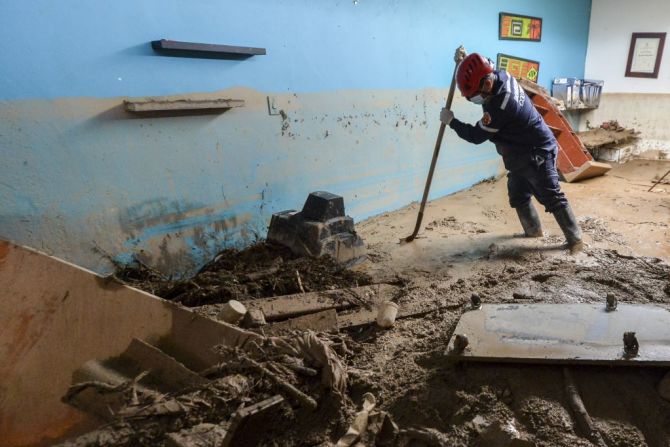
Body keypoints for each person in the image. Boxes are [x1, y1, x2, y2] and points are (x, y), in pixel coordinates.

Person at [439, 52, 583, 251]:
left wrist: (452, 122)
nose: (474, 100)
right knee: (517, 193)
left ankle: (575, 241)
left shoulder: (502, 106)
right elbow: (477, 70)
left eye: (474, 97)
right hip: (519, 153)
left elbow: (476, 136)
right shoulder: (500, 75)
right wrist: (464, 61)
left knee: (551, 196)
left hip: (537, 152)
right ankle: (533, 231)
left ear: (487, 85)